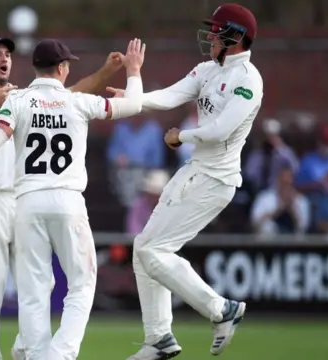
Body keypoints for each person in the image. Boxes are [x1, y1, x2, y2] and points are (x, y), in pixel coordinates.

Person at [0, 37, 146, 360]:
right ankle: (47, 354)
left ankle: (32, 352)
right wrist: (132, 72)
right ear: (61, 69)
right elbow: (129, 104)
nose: (4, 58)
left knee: (36, 289)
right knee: (1, 294)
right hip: (13, 199)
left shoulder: (19, 100)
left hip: (25, 201)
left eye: (8, 54)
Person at [107, 3, 261, 359]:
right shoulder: (208, 69)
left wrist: (182, 137)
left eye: (216, 31)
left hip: (216, 180)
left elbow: (223, 130)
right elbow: (170, 96)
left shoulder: (248, 80)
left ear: (235, 37)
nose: (210, 37)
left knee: (153, 251)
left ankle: (221, 310)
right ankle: (159, 339)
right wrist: (133, 98)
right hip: (194, 173)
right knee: (142, 248)